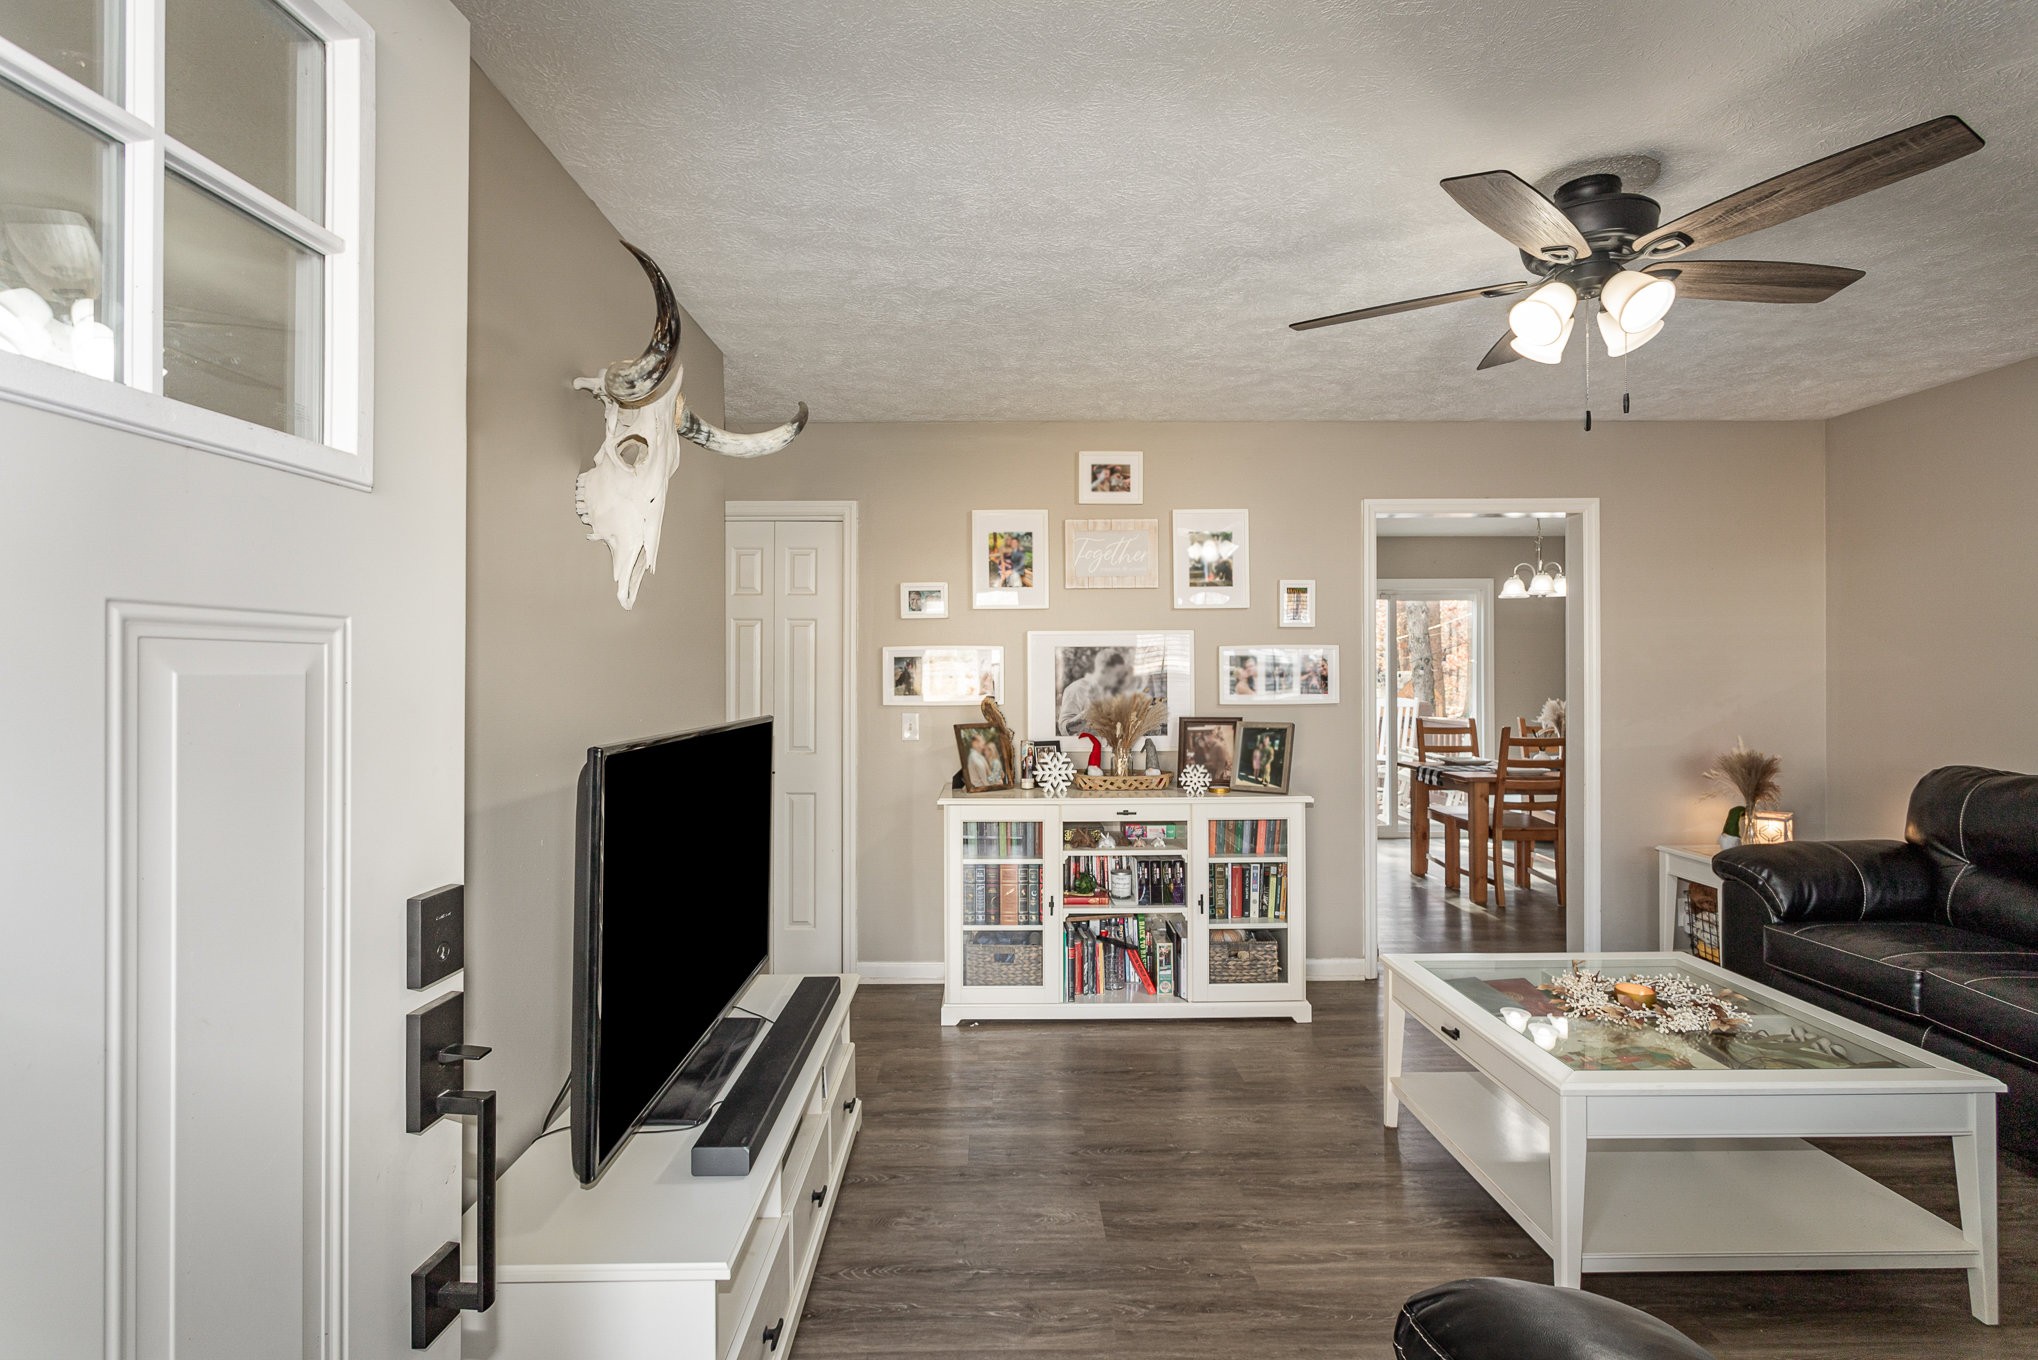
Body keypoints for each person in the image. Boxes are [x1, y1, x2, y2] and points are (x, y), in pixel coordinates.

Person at [1057, 649, 1130, 738]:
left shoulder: (1111, 693)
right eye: (1117, 674)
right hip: (1083, 750)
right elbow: (1064, 730)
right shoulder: (1076, 689)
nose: (1119, 679)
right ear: (1103, 670)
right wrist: (1087, 714)